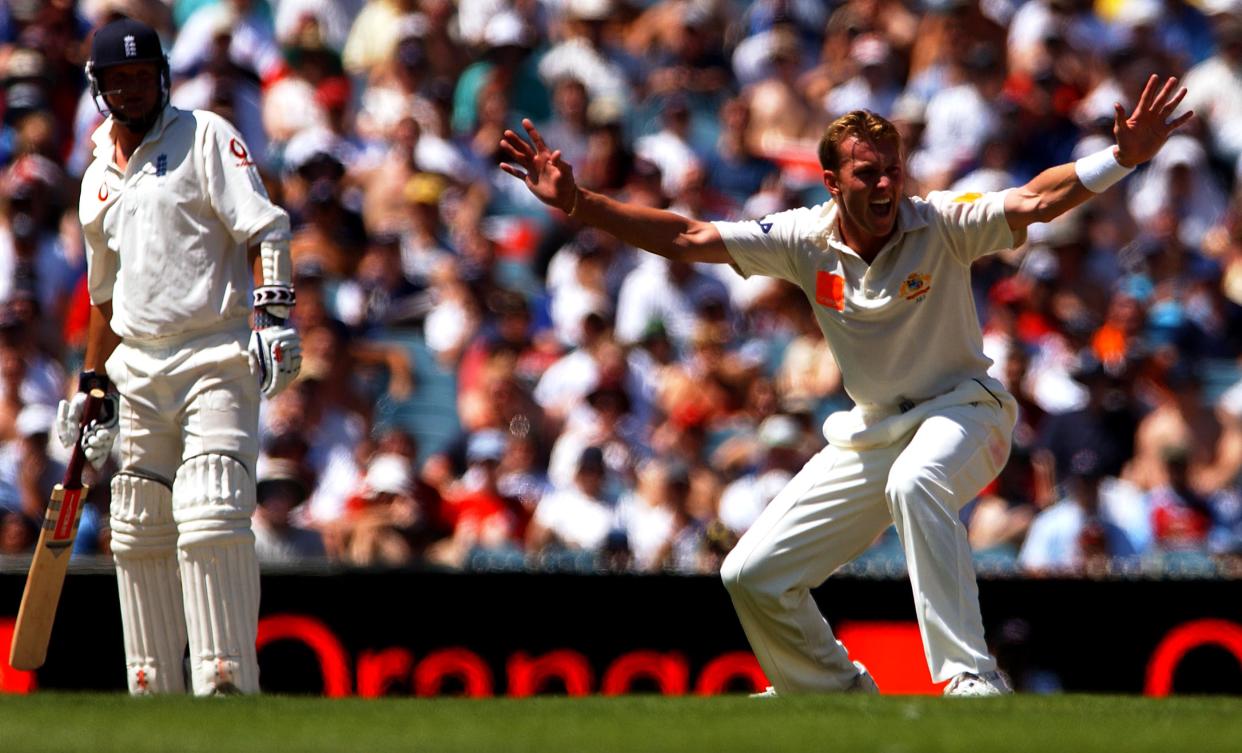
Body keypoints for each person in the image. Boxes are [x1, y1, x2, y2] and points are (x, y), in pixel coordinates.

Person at [500, 74, 1192, 696]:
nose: (887, 185)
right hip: (872, 431)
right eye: (868, 174)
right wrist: (581, 202)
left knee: (918, 480)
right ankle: (830, 692)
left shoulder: (943, 222)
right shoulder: (802, 237)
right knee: (751, 574)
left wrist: (1122, 157)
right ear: (832, 182)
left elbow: (1037, 200)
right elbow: (687, 237)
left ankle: (969, 676)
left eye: (894, 169)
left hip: (966, 411)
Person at [55, 17, 302, 696]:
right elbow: (105, 297)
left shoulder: (207, 136)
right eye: (118, 80)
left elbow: (266, 228)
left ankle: (225, 679)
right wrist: (90, 382)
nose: (132, 89)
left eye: (142, 76)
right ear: (99, 88)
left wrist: (273, 314)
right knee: (134, 522)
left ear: (162, 74)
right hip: (135, 366)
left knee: (211, 509)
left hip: (214, 354)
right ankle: (152, 691)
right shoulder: (96, 174)